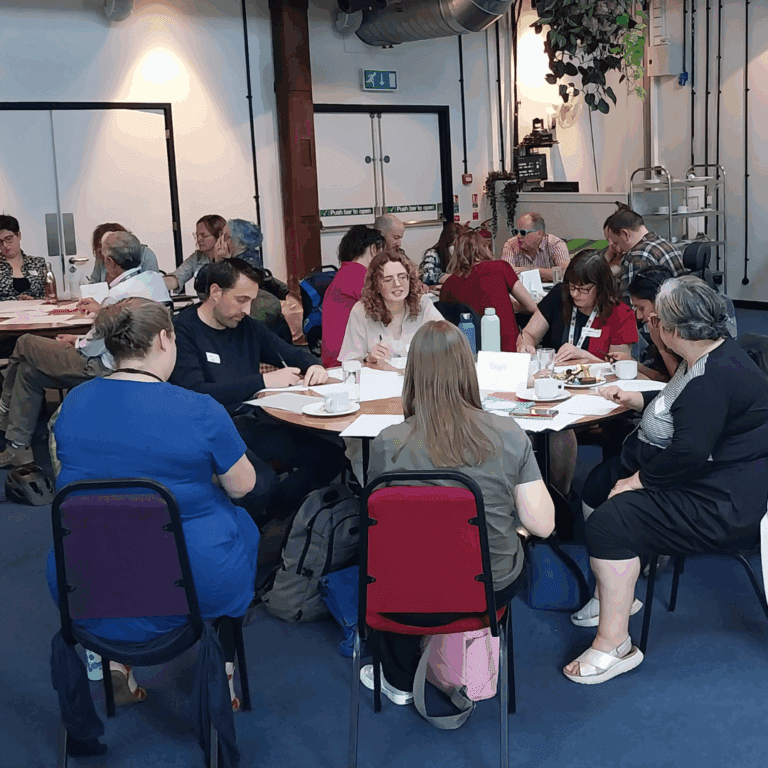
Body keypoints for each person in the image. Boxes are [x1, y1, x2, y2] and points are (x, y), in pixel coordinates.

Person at [47, 297, 258, 714]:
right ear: (164, 338)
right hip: (192, 578)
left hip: (86, 575)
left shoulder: (74, 403)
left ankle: (114, 660)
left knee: (114, 526)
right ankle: (224, 669)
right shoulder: (199, 409)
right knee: (243, 526)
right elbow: (242, 486)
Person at [565, 277, 768, 684]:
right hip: (722, 479)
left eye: (656, 319)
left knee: (609, 521)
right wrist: (639, 401)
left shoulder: (710, 379)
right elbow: (681, 411)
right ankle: (617, 595)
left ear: (674, 330)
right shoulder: (711, 354)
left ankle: (614, 645)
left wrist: (638, 481)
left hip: (725, 503)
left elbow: (688, 452)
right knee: (603, 490)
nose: (650, 324)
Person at [361, 320, 555, 702]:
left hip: (402, 594)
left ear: (412, 376)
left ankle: (399, 680)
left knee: (393, 555)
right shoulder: (508, 433)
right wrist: (514, 527)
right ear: (469, 370)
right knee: (512, 541)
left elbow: (378, 525)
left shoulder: (386, 443)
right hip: (485, 591)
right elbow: (544, 525)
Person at [169, 258, 344, 524]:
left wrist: (314, 366)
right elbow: (196, 392)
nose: (247, 310)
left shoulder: (245, 326)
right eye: (241, 300)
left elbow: (289, 353)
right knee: (260, 484)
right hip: (211, 431)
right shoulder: (184, 330)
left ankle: (273, 519)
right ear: (215, 292)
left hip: (252, 422)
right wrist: (263, 381)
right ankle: (254, 527)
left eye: (251, 300)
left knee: (332, 456)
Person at [0, 231, 170, 467]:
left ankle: (3, 408)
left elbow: (92, 348)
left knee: (25, 342)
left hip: (104, 365)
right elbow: (110, 334)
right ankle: (17, 447)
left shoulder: (117, 296)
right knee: (28, 372)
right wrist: (80, 338)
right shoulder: (153, 280)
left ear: (109, 261)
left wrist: (78, 341)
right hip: (143, 361)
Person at [518, 250, 638, 365]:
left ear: (600, 287)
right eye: (572, 287)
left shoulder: (621, 314)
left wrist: (583, 356)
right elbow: (529, 334)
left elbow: (618, 366)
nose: (575, 294)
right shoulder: (560, 294)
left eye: (582, 289)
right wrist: (526, 345)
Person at [338, 249, 443, 369]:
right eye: (388, 279)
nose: (397, 284)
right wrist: (368, 359)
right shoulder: (361, 311)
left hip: (419, 376)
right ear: (376, 284)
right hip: (380, 378)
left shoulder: (423, 304)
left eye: (402, 277)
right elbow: (349, 363)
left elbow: (447, 341)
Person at [440, 230, 537, 352]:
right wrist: (511, 306)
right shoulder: (501, 267)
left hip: (470, 351)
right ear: (485, 248)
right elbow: (531, 307)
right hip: (509, 349)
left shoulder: (448, 285)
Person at [321, 225, 386, 368]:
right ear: (373, 249)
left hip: (336, 357)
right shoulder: (359, 276)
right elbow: (386, 310)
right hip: (347, 361)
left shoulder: (345, 273)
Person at [602, 206, 686, 301]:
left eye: (616, 242)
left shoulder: (637, 256)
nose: (618, 247)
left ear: (625, 234)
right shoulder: (666, 244)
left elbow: (629, 302)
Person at [163, 214, 226, 293]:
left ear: (219, 236)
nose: (199, 239)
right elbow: (178, 277)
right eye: (197, 235)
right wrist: (156, 283)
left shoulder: (231, 259)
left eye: (203, 235)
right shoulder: (197, 257)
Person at [500, 212, 569, 283]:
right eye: (516, 231)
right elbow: (506, 276)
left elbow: (566, 274)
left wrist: (532, 271)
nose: (518, 236)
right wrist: (548, 275)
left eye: (523, 232)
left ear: (539, 233)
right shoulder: (511, 245)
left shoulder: (555, 244)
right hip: (521, 289)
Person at [88, 223, 159, 283]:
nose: (103, 254)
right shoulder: (101, 256)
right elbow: (93, 283)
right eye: (101, 250)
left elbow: (153, 283)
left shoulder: (146, 254)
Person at [0, 214, 48, 301]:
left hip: (37, 309)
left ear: (18, 235)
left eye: (8, 239)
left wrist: (34, 300)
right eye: (0, 242)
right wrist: (17, 300)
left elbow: (48, 295)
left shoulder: (38, 263)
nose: (5, 245)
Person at [418, 221, 465, 289]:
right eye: (453, 245)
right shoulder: (433, 254)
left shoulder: (464, 254)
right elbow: (426, 276)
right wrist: (443, 277)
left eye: (459, 245)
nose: (456, 248)